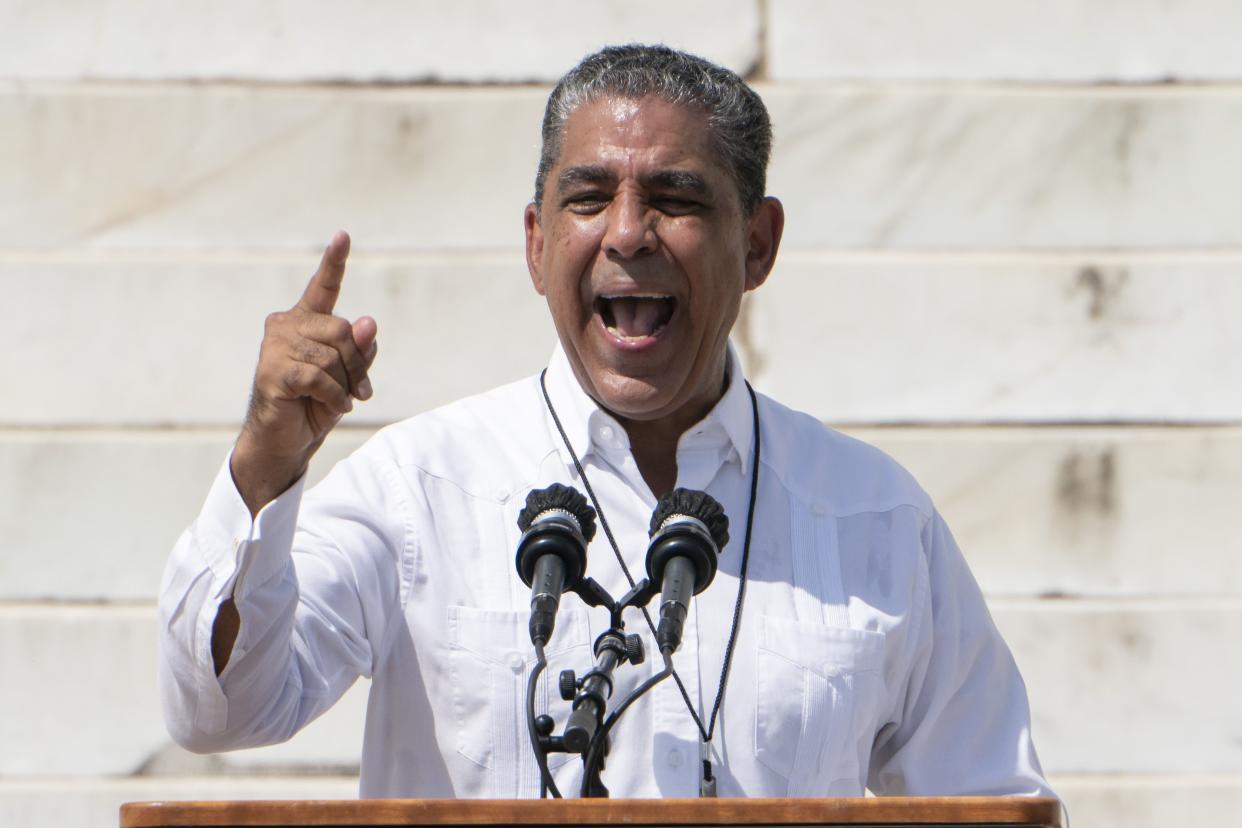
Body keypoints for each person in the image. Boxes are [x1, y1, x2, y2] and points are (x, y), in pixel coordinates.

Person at [159, 44, 1056, 801]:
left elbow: (992, 800)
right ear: (537, 243)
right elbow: (221, 708)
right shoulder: (419, 486)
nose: (628, 233)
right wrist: (264, 465)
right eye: (588, 198)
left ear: (758, 244)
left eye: (676, 197)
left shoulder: (874, 519)